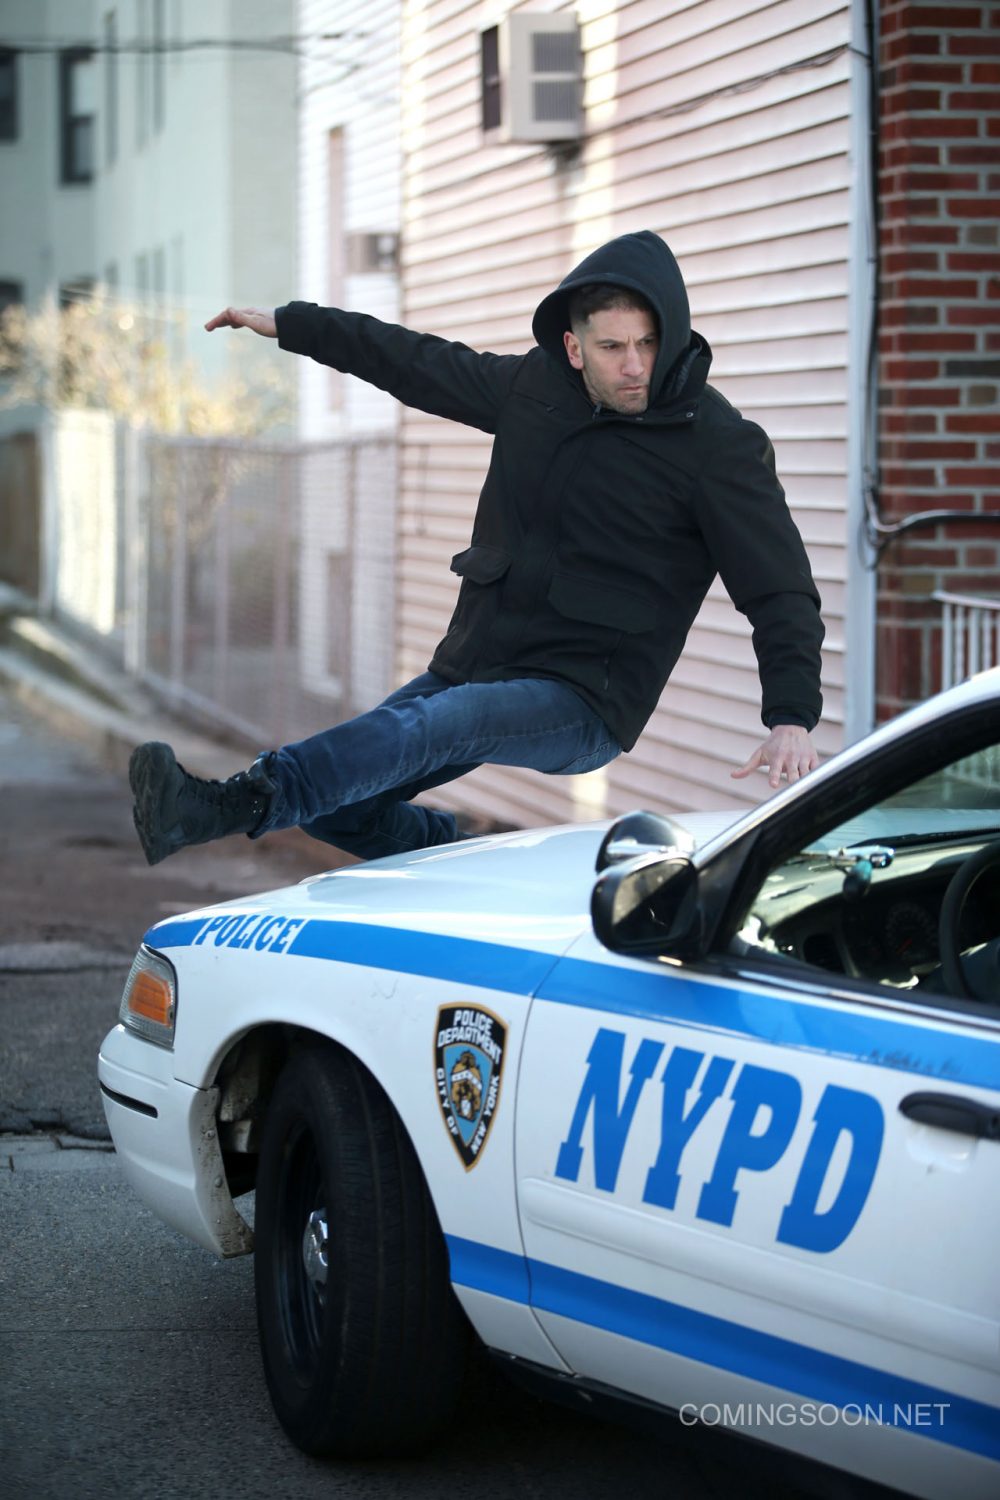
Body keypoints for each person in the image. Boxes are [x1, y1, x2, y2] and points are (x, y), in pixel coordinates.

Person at [129, 230, 824, 867]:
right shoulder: (533, 391)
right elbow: (414, 362)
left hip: (585, 696)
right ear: (576, 348)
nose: (636, 366)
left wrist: (790, 714)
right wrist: (293, 325)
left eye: (649, 343)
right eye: (613, 348)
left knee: (444, 722)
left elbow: (779, 586)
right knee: (345, 810)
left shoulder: (718, 445)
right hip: (480, 660)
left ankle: (225, 804)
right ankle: (462, 851)